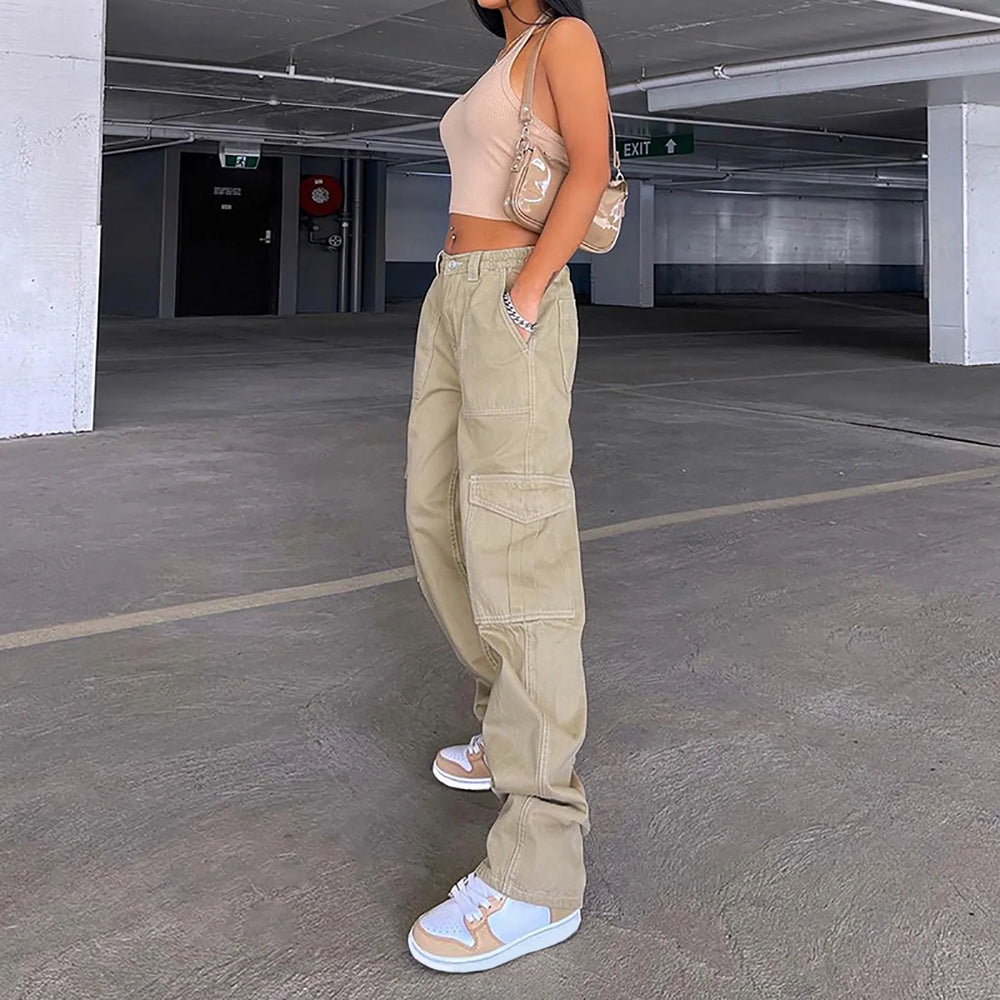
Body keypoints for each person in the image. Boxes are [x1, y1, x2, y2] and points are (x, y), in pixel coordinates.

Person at [404, 0, 612, 974]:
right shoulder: (511, 52)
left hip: (508, 288)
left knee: (519, 545)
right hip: (455, 291)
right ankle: (503, 720)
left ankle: (540, 866)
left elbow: (590, 166)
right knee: (436, 514)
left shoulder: (565, 37)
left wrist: (525, 291)